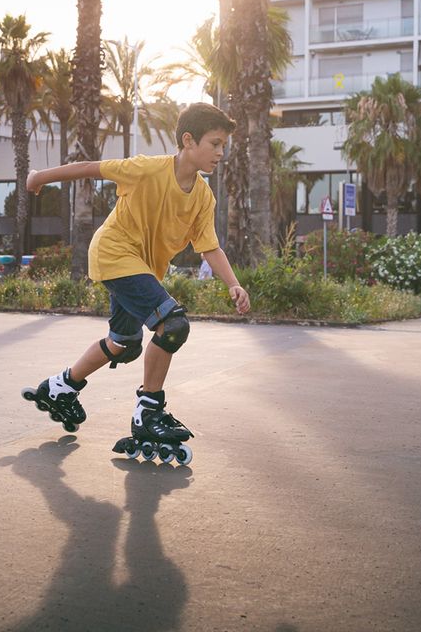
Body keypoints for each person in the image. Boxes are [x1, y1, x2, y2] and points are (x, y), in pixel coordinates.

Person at [22, 102, 250, 462]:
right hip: (114, 253)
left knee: (125, 343)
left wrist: (233, 284)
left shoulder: (204, 196)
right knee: (172, 325)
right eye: (215, 143)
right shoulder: (146, 169)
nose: (221, 153)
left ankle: (60, 387)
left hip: (141, 267)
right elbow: (89, 168)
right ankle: (149, 411)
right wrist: (38, 178)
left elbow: (209, 246)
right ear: (188, 141)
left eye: (224, 146)